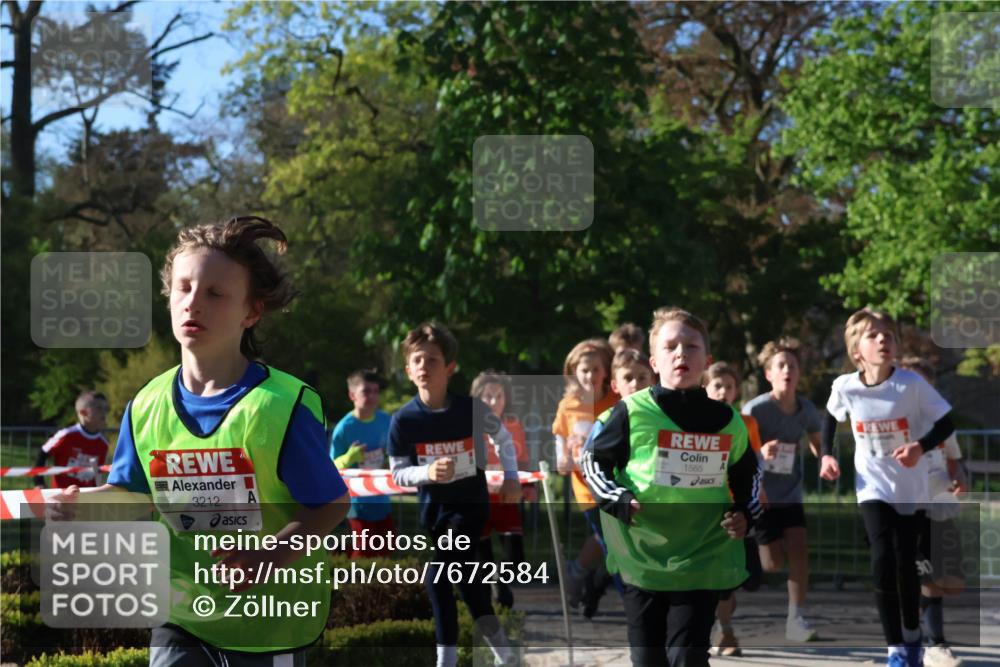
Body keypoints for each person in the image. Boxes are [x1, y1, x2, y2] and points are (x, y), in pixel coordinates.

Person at [50, 216, 351, 666]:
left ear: (251, 311)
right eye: (184, 288)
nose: (194, 303)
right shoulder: (146, 404)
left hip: (267, 622)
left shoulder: (278, 406)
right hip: (182, 614)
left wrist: (267, 556)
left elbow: (331, 503)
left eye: (215, 293)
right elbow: (135, 495)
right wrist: (84, 505)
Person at [583, 307, 760, 667]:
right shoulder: (628, 412)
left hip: (701, 554)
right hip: (642, 555)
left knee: (687, 658)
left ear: (706, 361)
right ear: (654, 361)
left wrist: (743, 511)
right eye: (671, 346)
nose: (681, 353)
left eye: (691, 346)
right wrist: (618, 498)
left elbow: (749, 477)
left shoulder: (728, 421)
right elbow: (593, 461)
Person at [822, 309, 956, 667]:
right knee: (882, 558)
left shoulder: (911, 384)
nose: (883, 340)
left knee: (905, 563)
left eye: (889, 335)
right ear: (856, 351)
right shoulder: (845, 386)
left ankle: (913, 634)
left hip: (910, 488)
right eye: (873, 335)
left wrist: (920, 447)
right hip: (872, 485)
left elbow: (946, 422)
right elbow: (830, 419)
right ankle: (895, 646)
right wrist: (825, 456)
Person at [387, 323, 522, 667]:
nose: (423, 367)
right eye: (417, 360)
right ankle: (506, 656)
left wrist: (509, 477)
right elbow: (399, 472)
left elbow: (504, 439)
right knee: (470, 590)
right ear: (407, 370)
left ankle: (445, 662)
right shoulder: (403, 420)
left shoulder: (471, 410)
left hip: (470, 510)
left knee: (436, 578)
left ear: (449, 368)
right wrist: (427, 473)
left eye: (432, 360)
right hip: (434, 514)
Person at [742, 337, 823, 642]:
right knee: (771, 563)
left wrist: (824, 457)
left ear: (799, 373)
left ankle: (796, 617)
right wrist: (762, 451)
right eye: (781, 365)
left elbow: (818, 441)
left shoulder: (806, 409)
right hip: (761, 493)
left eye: (793, 365)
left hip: (790, 493)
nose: (787, 370)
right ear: (769, 374)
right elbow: (740, 450)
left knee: (800, 549)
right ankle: (749, 544)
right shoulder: (756, 408)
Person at [899, 357, 968, 667]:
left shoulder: (941, 426)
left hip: (941, 507)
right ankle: (935, 644)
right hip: (910, 510)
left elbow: (955, 461)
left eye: (925, 385)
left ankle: (913, 626)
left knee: (950, 581)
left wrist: (960, 480)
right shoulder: (895, 424)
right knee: (927, 577)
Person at [578, 348, 655, 619]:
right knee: (623, 560)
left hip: (653, 507)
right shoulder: (609, 420)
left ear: (653, 380)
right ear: (615, 385)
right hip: (619, 505)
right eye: (629, 378)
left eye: (642, 377)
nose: (636, 383)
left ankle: (597, 583)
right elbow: (590, 461)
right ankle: (634, 613)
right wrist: (615, 496)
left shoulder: (663, 419)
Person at [703, 362, 766, 656]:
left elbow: (752, 464)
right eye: (717, 386)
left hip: (737, 508)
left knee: (743, 577)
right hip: (707, 506)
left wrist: (757, 492)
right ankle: (724, 632)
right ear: (705, 388)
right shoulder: (696, 423)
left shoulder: (746, 423)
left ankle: (721, 623)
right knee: (715, 578)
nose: (723, 392)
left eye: (729, 387)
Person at [552, 338, 619, 611]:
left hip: (616, 483)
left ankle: (582, 575)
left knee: (616, 542)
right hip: (586, 488)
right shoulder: (568, 405)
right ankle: (625, 595)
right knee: (610, 543)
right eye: (584, 370)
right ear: (573, 372)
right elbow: (559, 436)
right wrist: (562, 457)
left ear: (606, 372)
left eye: (595, 369)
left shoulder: (618, 401)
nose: (590, 375)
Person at [471, 370, 530, 609]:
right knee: (482, 556)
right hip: (479, 500)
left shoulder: (513, 425)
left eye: (498, 396)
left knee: (516, 559)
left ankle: (499, 580)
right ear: (477, 398)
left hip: (507, 499)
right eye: (487, 397)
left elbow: (523, 460)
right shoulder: (470, 425)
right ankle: (488, 612)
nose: (493, 402)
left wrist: (529, 485)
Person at [330, 368, 394, 559]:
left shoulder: (386, 421)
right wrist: (349, 458)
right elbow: (330, 469)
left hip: (382, 498)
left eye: (376, 391)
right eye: (366, 391)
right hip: (357, 502)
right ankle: (350, 585)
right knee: (364, 552)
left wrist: (389, 462)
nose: (373, 396)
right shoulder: (343, 429)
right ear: (352, 395)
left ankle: (339, 560)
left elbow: (394, 452)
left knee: (386, 549)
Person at [33, 390, 110, 489]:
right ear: (83, 412)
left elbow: (96, 474)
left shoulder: (103, 444)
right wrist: (39, 482)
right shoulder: (66, 435)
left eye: (106, 409)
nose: (104, 413)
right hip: (61, 496)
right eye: (99, 408)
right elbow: (43, 453)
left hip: (85, 498)